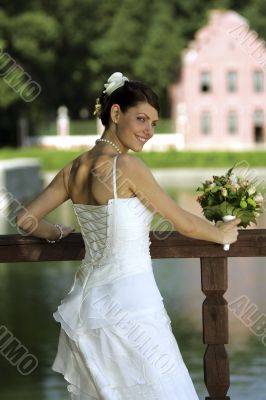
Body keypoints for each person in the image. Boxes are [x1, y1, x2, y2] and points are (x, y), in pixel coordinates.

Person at [16, 72, 240, 399]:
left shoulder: (72, 168)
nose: (148, 131)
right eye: (141, 119)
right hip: (134, 304)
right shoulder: (127, 167)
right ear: (116, 113)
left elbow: (25, 220)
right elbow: (183, 222)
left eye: (154, 123)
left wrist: (57, 231)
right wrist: (221, 233)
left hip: (90, 306)